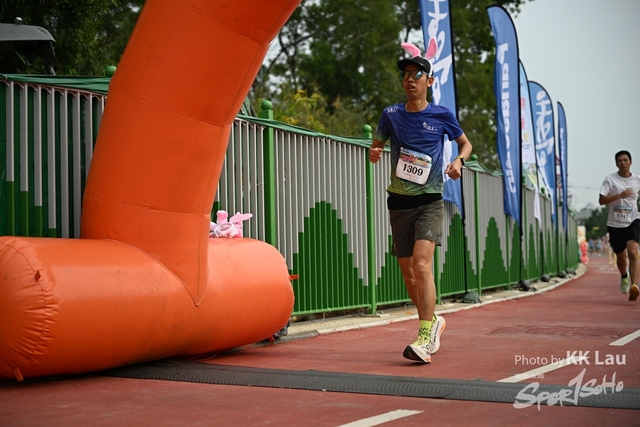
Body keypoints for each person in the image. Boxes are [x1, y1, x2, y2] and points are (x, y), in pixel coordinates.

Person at [369, 44, 472, 363]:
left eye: (416, 75)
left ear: (429, 81)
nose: (410, 79)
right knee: (408, 274)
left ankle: (425, 337)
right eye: (405, 75)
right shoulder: (390, 114)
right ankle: (435, 320)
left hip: (429, 201)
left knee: (422, 265)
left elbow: (466, 145)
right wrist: (374, 152)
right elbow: (376, 144)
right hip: (398, 201)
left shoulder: (441, 115)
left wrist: (458, 162)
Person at [598, 150, 640, 301]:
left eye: (625, 160)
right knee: (621, 259)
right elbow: (601, 200)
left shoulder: (637, 180)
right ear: (616, 163)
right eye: (620, 161)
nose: (623, 163)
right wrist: (619, 196)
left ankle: (634, 287)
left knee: (633, 252)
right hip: (615, 224)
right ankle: (624, 276)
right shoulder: (610, 180)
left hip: (633, 220)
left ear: (630, 162)